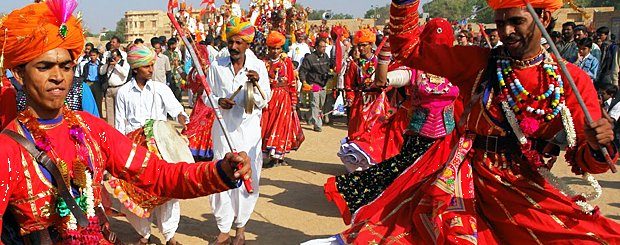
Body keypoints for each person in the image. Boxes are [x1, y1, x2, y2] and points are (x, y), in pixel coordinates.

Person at [314, 0, 620, 243]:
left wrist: (599, 145)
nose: (507, 31)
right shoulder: (480, 62)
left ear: (545, 18)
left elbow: (592, 161)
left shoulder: (571, 80)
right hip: (464, 178)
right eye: (501, 23)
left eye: (517, 21)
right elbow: (410, 49)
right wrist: (405, 3)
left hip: (527, 188)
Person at [0, 2, 252, 243]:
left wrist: (220, 172)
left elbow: (159, 174)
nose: (57, 76)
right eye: (44, 67)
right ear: (20, 75)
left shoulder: (91, 130)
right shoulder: (7, 150)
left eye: (65, 67)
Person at [326, 18, 460, 222]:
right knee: (400, 187)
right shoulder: (414, 72)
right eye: (433, 45)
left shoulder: (460, 72)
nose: (438, 50)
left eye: (443, 45)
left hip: (448, 145)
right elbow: (382, 80)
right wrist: (387, 49)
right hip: (417, 144)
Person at [114, 44, 189, 245]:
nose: (151, 69)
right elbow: (120, 126)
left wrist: (183, 119)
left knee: (167, 191)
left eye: (151, 65)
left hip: (159, 150)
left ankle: (170, 235)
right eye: (147, 66)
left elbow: (177, 110)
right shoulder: (123, 93)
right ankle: (144, 235)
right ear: (136, 68)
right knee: (136, 193)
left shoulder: (161, 89)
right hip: (135, 149)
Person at [207, 17, 271, 245]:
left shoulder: (259, 67)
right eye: (231, 42)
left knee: (248, 177)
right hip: (223, 131)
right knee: (221, 175)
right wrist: (218, 101)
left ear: (247, 44)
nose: (233, 47)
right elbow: (206, 96)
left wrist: (258, 84)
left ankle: (240, 228)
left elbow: (265, 101)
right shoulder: (216, 65)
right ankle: (223, 228)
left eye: (238, 43)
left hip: (249, 133)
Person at [261, 31, 305, 168]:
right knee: (266, 126)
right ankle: (266, 154)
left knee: (282, 127)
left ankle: (278, 157)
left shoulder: (286, 62)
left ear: (281, 49)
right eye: (272, 48)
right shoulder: (263, 62)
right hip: (268, 98)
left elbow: (292, 82)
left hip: (284, 99)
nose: (275, 51)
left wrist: (293, 102)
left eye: (277, 48)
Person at [299, 38, 333, 132]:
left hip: (323, 83)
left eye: (324, 47)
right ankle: (317, 124)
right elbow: (302, 71)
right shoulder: (310, 58)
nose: (323, 48)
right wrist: (304, 81)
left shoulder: (325, 56)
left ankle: (308, 115)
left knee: (320, 104)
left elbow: (328, 67)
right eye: (321, 47)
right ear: (316, 47)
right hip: (313, 83)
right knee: (315, 103)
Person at [100, 48, 130, 126]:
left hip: (119, 88)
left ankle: (120, 128)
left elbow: (125, 73)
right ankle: (111, 128)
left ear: (119, 56)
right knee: (109, 111)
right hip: (109, 89)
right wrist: (107, 64)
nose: (113, 58)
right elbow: (101, 72)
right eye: (112, 56)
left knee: (119, 110)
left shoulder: (124, 63)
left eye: (115, 56)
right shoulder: (109, 64)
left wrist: (116, 65)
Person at [81, 49, 104, 116]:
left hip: (97, 84)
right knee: (88, 101)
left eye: (94, 55)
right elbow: (84, 74)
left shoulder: (100, 65)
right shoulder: (87, 65)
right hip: (88, 83)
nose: (92, 57)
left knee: (98, 102)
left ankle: (99, 119)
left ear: (97, 55)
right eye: (91, 55)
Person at [164, 38, 183, 102]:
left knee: (178, 91)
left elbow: (180, 63)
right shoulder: (165, 54)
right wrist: (172, 62)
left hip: (177, 76)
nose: (175, 46)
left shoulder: (176, 53)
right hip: (169, 76)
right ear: (171, 45)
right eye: (174, 44)